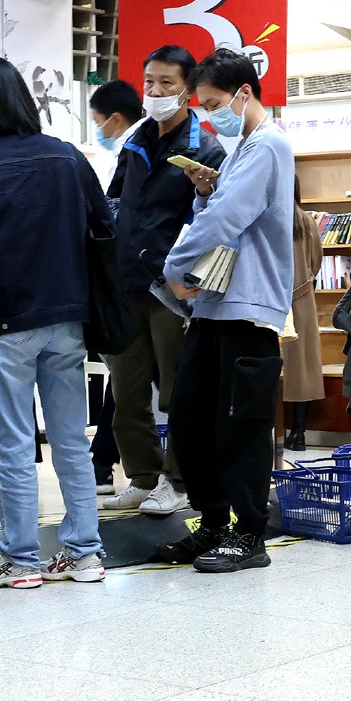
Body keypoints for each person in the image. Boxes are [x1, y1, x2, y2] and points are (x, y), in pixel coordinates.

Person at [0, 56, 110, 590]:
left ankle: (20, 560)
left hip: (6, 323)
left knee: (14, 442)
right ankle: (84, 553)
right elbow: (104, 229)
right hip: (67, 318)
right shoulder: (67, 157)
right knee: (69, 439)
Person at [156, 48, 295, 573]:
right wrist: (204, 192)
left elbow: (226, 221)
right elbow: (220, 210)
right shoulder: (242, 151)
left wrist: (174, 267)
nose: (210, 113)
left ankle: (249, 535)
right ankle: (213, 523)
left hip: (249, 308)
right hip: (214, 307)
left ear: (244, 93)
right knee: (192, 421)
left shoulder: (267, 146)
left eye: (215, 102)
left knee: (240, 427)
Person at [99, 45, 217, 516]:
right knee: (127, 392)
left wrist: (196, 288)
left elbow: (215, 223)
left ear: (187, 89)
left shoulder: (204, 149)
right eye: (150, 81)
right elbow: (114, 204)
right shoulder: (134, 141)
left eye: (166, 82)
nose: (155, 91)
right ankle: (142, 477)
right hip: (127, 284)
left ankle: (179, 481)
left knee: (177, 391)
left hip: (173, 290)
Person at [83, 77, 145, 487]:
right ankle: (105, 459)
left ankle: (120, 466)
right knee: (127, 379)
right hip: (145, 278)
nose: (98, 131)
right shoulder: (134, 146)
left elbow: (118, 214)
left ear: (116, 119)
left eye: (98, 122)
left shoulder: (136, 149)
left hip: (143, 281)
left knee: (130, 379)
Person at [284, 189, 325, 451]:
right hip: (302, 301)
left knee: (273, 370)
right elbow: (317, 261)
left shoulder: (268, 215)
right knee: (303, 369)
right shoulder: (306, 220)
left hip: (270, 301)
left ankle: (273, 432)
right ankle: (299, 433)